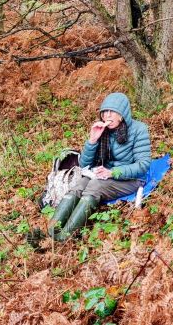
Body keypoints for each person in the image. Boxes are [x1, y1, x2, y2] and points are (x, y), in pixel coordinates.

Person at [49, 92, 151, 242]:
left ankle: (66, 236)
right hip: (104, 175)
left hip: (132, 179)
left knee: (95, 186)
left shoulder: (139, 129)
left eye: (112, 112)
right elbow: (84, 164)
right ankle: (52, 230)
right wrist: (92, 140)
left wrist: (112, 172)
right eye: (104, 112)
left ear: (122, 114)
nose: (107, 116)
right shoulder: (103, 131)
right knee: (80, 184)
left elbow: (143, 165)